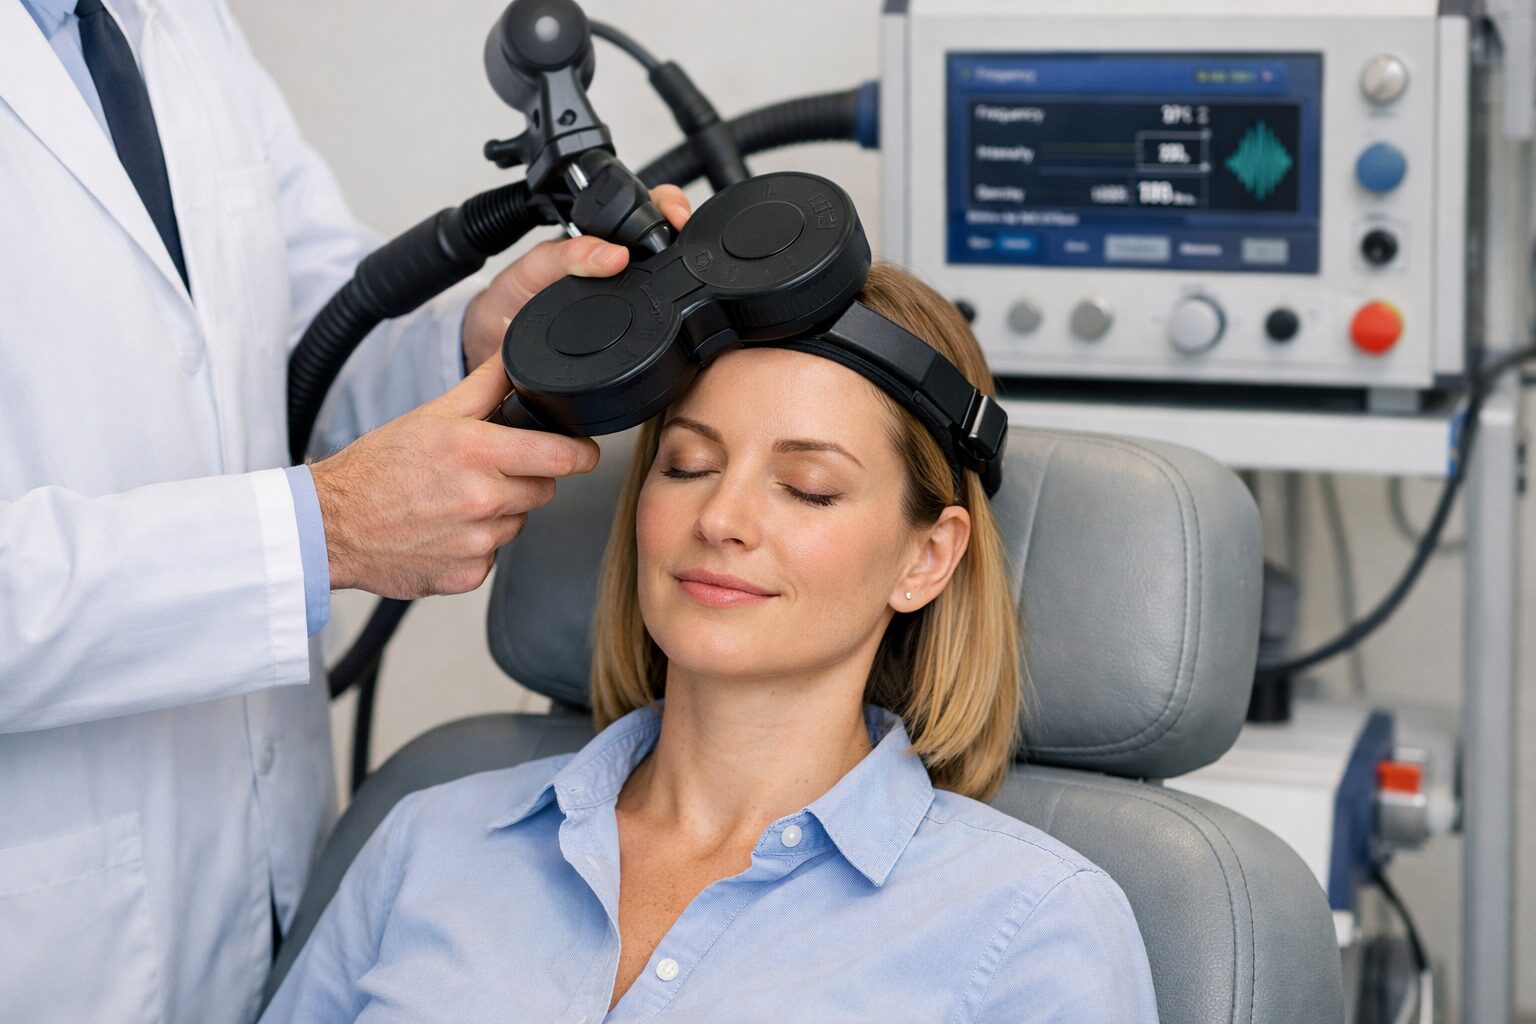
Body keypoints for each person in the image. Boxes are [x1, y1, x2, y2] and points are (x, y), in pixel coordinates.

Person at [0, 1, 689, 1022]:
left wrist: (476, 343)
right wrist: (320, 533)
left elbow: (300, 336)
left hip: (278, 892)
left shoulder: (179, 24)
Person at [261, 263, 1161, 1023]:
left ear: (927, 558)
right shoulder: (429, 839)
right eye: (686, 465)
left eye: (807, 487)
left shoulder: (1035, 926)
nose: (721, 518)